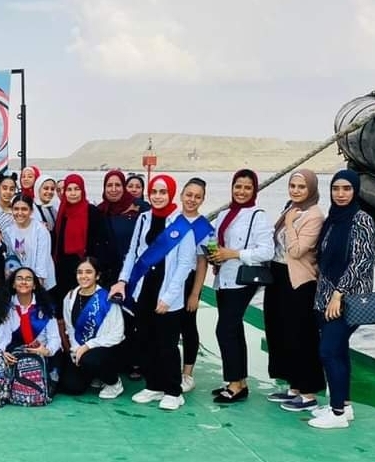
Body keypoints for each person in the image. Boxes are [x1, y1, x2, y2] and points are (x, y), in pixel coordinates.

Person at [111, 175, 199, 412]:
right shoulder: (143, 219)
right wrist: (122, 280)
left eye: (163, 192)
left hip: (168, 293)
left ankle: (173, 391)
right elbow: (133, 252)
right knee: (146, 339)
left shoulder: (182, 224)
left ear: (171, 194)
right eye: (154, 192)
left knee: (167, 344)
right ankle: (154, 385)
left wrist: (168, 297)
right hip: (144, 289)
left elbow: (185, 264)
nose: (158, 196)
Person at [309, 170, 375, 429]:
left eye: (346, 189)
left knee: (328, 350)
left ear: (356, 190)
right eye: (336, 189)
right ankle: (344, 405)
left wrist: (339, 293)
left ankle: (336, 414)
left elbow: (361, 261)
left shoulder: (362, 220)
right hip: (326, 296)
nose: (340, 194)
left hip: (346, 298)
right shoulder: (334, 219)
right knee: (338, 350)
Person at [207, 169, 274, 404]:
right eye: (238, 186)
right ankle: (239, 382)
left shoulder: (258, 216)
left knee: (225, 330)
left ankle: (235, 383)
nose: (242, 191)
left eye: (247, 187)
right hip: (224, 278)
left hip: (242, 280)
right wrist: (215, 256)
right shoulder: (225, 214)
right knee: (233, 330)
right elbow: (218, 243)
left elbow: (267, 251)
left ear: (254, 190)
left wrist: (233, 254)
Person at [264, 169, 326, 412]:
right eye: (293, 186)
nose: (296, 191)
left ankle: (308, 393)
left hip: (299, 281)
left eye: (301, 187)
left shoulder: (314, 215)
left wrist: (289, 224)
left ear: (311, 189)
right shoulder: (290, 208)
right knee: (281, 333)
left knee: (301, 335)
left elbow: (297, 251)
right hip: (279, 277)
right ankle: (293, 387)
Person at [60, 257, 125, 399]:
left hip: (106, 347)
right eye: (80, 272)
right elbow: (70, 328)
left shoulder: (108, 298)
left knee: (90, 359)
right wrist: (76, 349)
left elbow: (117, 334)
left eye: (89, 272)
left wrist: (87, 346)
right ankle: (95, 376)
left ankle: (114, 383)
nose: (83, 276)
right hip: (81, 348)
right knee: (71, 387)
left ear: (97, 276)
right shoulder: (70, 297)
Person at [177, 178, 212, 393]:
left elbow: (202, 262)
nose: (192, 199)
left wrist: (195, 294)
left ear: (202, 200)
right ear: (181, 195)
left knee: (188, 325)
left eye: (197, 197)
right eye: (189, 195)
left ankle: (187, 374)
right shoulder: (172, 219)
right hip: (168, 280)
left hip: (189, 280)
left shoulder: (204, 228)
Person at [52, 174, 104, 302]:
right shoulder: (62, 213)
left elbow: (99, 241)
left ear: (82, 190)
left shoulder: (92, 212)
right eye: (69, 189)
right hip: (64, 270)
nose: (73, 193)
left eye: (77, 189)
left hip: (86, 267)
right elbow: (58, 241)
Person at [7, 266, 62, 372]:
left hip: (43, 356)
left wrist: (46, 351)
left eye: (28, 279)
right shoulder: (5, 307)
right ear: (13, 284)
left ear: (34, 285)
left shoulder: (45, 307)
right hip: (14, 357)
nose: (24, 282)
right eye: (19, 278)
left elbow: (54, 338)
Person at [96, 170, 142, 285]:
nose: (113, 189)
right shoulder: (99, 211)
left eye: (117, 185)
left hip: (133, 272)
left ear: (123, 187)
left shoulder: (139, 208)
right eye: (109, 185)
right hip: (106, 275)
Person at [5, 194, 56, 290]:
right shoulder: (9, 231)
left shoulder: (40, 230)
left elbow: (42, 260)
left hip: (41, 283)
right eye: (16, 209)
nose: (20, 213)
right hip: (22, 282)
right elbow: (14, 256)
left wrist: (37, 284)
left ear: (31, 211)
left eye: (24, 209)